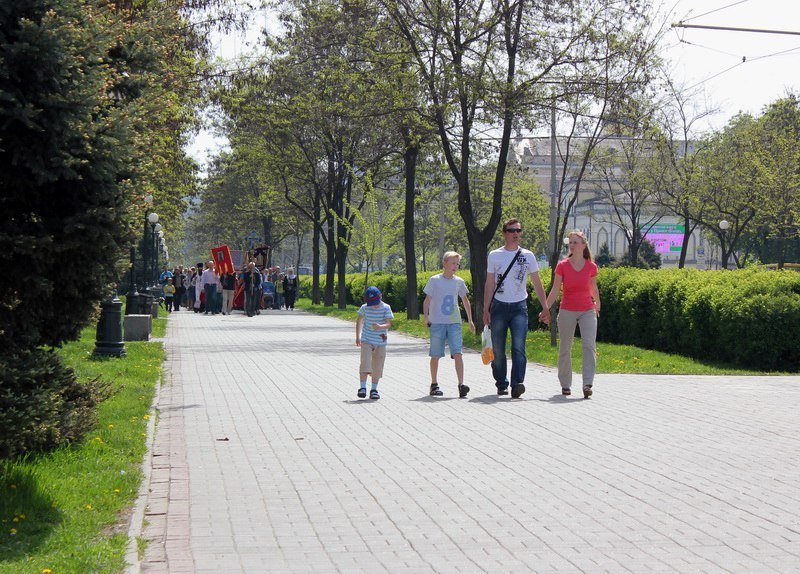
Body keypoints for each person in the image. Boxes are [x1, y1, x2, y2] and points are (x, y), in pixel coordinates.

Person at [482, 218, 550, 399]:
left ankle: (517, 384)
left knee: (519, 346)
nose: (516, 234)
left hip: (520, 306)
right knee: (498, 348)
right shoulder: (495, 255)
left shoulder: (528, 256)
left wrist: (545, 307)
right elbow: (489, 283)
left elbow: (537, 282)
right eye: (512, 231)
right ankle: (501, 383)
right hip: (499, 306)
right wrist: (485, 309)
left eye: (518, 231)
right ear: (504, 233)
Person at [541, 230, 601, 399]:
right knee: (565, 348)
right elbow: (555, 289)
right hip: (567, 310)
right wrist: (546, 308)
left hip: (587, 310)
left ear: (583, 245)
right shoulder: (563, 266)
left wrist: (598, 303)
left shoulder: (591, 266)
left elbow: (592, 287)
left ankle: (588, 384)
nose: (572, 245)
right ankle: (565, 384)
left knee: (589, 345)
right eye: (571, 242)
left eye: (576, 242)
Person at [423, 251, 475, 398]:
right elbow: (427, 300)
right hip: (437, 322)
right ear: (445, 264)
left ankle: (461, 384)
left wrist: (470, 320)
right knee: (436, 354)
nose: (455, 266)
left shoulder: (459, 281)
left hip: (454, 322)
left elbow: (465, 300)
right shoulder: (434, 280)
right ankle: (434, 384)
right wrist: (426, 317)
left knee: (457, 352)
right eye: (453, 263)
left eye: (457, 264)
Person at [355, 286, 394, 400]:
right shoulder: (365, 308)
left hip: (380, 342)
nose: (374, 305)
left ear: (380, 296)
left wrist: (380, 326)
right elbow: (359, 321)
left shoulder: (386, 307)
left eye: (376, 302)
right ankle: (362, 388)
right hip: (366, 340)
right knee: (365, 362)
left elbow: (388, 324)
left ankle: (374, 389)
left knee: (377, 365)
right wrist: (357, 337)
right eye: (371, 303)